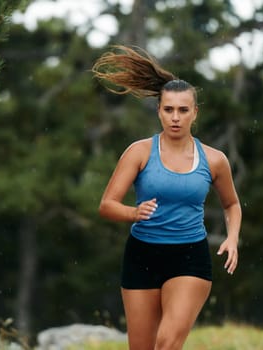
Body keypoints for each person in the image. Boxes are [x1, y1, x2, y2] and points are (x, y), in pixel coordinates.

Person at [92, 45, 242, 350]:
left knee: (167, 343)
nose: (175, 117)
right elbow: (107, 205)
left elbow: (231, 204)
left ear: (194, 113)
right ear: (159, 110)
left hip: (189, 257)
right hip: (141, 256)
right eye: (169, 110)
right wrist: (133, 213)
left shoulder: (214, 160)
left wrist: (232, 237)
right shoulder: (140, 152)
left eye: (183, 110)